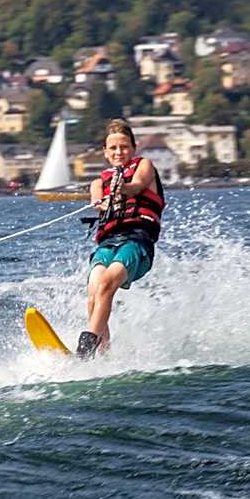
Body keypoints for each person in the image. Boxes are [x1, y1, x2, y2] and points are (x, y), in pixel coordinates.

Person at [78, 119, 166, 359]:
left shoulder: (144, 166)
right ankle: (104, 355)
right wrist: (105, 199)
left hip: (137, 242)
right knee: (94, 294)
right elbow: (99, 202)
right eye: (114, 148)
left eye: (124, 147)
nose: (119, 152)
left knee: (106, 284)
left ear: (134, 148)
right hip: (109, 243)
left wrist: (121, 188)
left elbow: (136, 186)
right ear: (106, 153)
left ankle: (83, 352)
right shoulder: (98, 182)